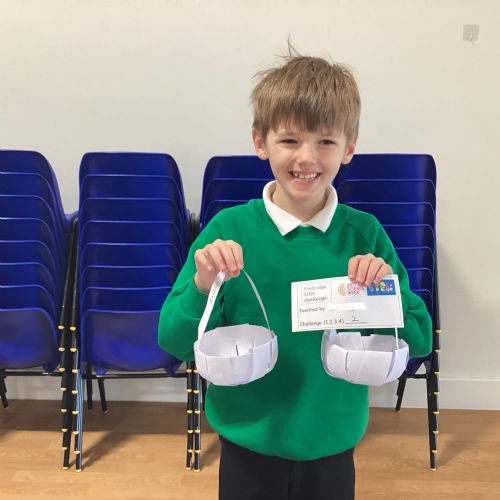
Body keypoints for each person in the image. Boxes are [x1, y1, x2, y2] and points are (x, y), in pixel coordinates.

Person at [158, 51, 432, 500]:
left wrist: (384, 294)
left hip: (332, 444)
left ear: (349, 147)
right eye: (289, 140)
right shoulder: (229, 231)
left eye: (325, 141)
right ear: (260, 142)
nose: (307, 157)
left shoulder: (364, 235)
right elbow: (173, 339)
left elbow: (418, 338)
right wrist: (204, 286)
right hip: (247, 442)